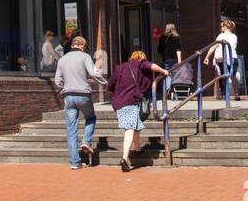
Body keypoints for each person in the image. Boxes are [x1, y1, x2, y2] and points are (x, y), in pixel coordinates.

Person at [105, 50, 168, 171]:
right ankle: (124, 158)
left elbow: (110, 85)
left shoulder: (121, 67)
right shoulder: (140, 63)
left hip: (119, 102)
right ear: (141, 58)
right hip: (131, 101)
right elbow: (152, 66)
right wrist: (163, 71)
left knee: (134, 124)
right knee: (129, 128)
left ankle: (138, 149)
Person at [53, 36, 107, 169]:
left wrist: (66, 85)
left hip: (68, 96)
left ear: (72, 45)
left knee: (71, 130)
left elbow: (57, 81)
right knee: (91, 117)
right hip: (83, 95)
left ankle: (75, 163)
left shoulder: (62, 59)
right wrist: (105, 83)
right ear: (82, 45)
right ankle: (86, 141)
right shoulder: (85, 56)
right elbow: (94, 73)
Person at [203, 19, 238, 99]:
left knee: (222, 76)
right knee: (233, 76)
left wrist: (207, 57)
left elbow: (214, 46)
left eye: (222, 26)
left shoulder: (221, 36)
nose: (221, 28)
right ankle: (236, 94)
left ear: (225, 27)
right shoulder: (234, 36)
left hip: (224, 59)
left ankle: (224, 95)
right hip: (233, 57)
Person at [157, 23, 183, 96]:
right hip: (174, 59)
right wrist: (179, 60)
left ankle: (166, 89)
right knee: (173, 74)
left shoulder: (163, 37)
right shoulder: (176, 37)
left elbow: (159, 50)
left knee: (167, 74)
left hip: (166, 59)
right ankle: (170, 88)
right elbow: (178, 50)